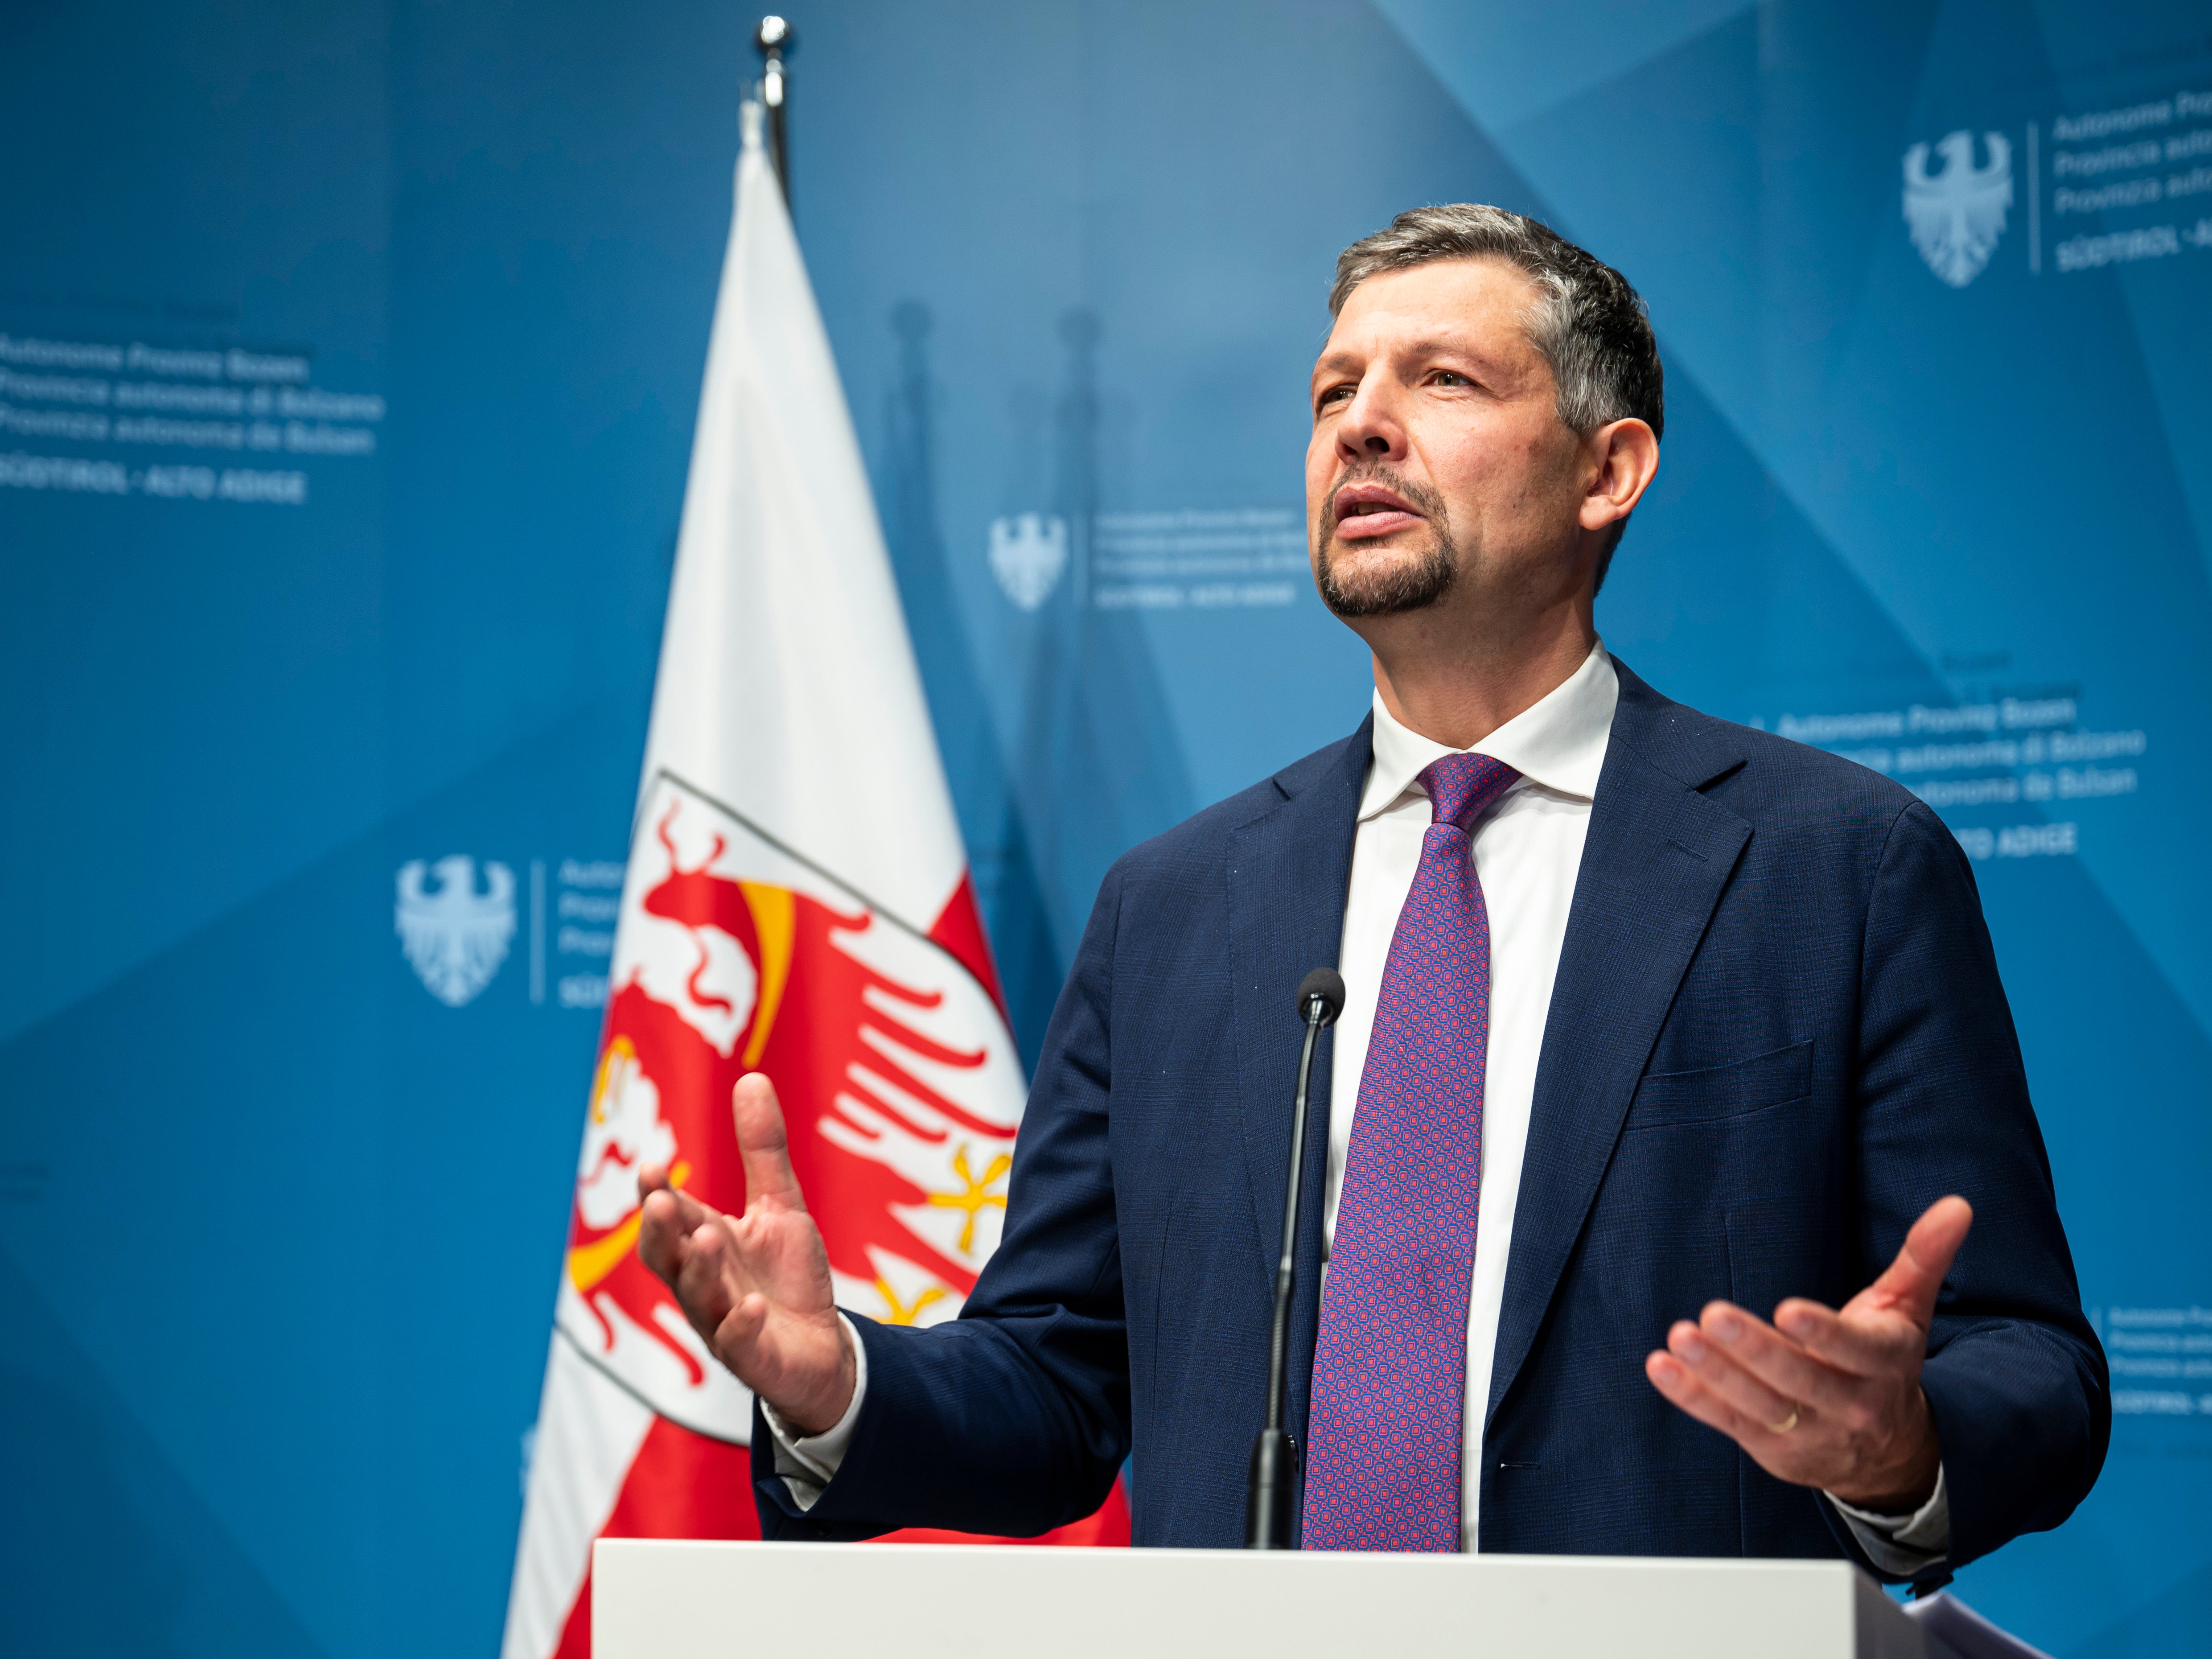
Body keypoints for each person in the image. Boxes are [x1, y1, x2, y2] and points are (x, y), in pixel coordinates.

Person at [635, 205, 2107, 1580]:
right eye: (1333, 389)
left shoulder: (1831, 866)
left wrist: (1900, 1445)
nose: (1361, 423)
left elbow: (2028, 1359)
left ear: (1607, 472)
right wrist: (842, 1384)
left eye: (1442, 379)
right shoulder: (1172, 909)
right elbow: (1059, 1376)